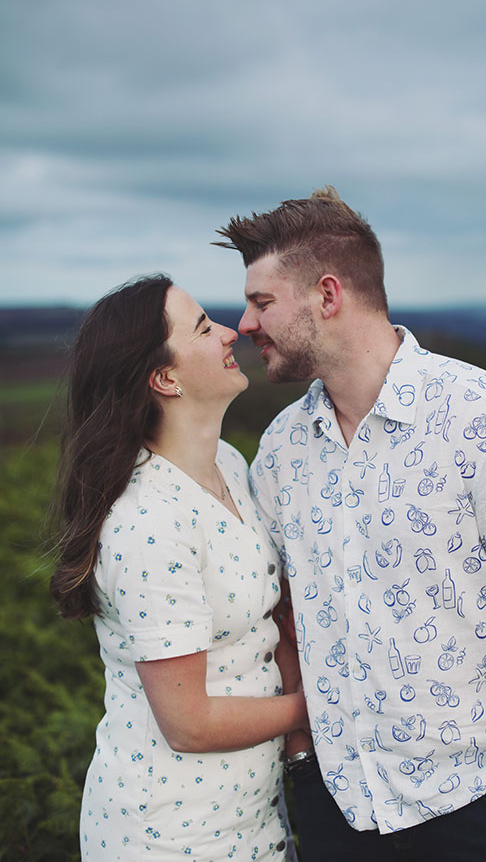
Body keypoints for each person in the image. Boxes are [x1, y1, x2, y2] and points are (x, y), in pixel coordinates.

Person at [214, 187, 486, 862]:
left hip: (478, 808)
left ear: (328, 295)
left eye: (262, 302)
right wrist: (302, 755)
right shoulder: (280, 449)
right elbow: (286, 610)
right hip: (338, 808)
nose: (243, 323)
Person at [50, 274, 307, 861]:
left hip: (255, 819)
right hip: (169, 836)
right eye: (201, 327)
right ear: (165, 378)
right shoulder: (146, 523)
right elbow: (188, 722)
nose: (229, 332)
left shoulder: (230, 463)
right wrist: (322, 703)